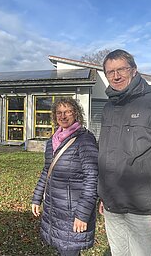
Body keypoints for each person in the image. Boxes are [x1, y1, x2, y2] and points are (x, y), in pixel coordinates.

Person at [98, 49, 151, 255]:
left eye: (121, 69)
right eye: (110, 72)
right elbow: (105, 155)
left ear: (134, 71)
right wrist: (102, 195)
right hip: (112, 206)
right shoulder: (108, 108)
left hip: (143, 209)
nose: (116, 75)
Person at [31, 98, 98, 256]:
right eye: (59, 112)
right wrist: (37, 197)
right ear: (54, 116)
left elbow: (92, 178)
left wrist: (82, 214)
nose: (63, 116)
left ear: (76, 114)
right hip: (55, 207)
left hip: (73, 210)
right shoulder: (52, 141)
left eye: (68, 111)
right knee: (63, 248)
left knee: (69, 249)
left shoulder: (84, 140)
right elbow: (47, 171)